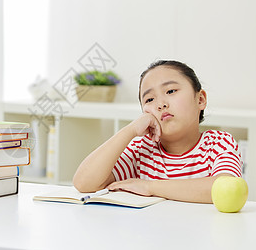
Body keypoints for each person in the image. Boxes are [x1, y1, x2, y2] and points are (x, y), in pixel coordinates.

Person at [73, 60, 242, 203]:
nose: (160, 104)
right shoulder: (142, 150)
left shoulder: (219, 143)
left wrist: (150, 186)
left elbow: (225, 188)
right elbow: (84, 183)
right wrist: (130, 130)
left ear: (200, 99)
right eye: (150, 99)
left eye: (170, 91)